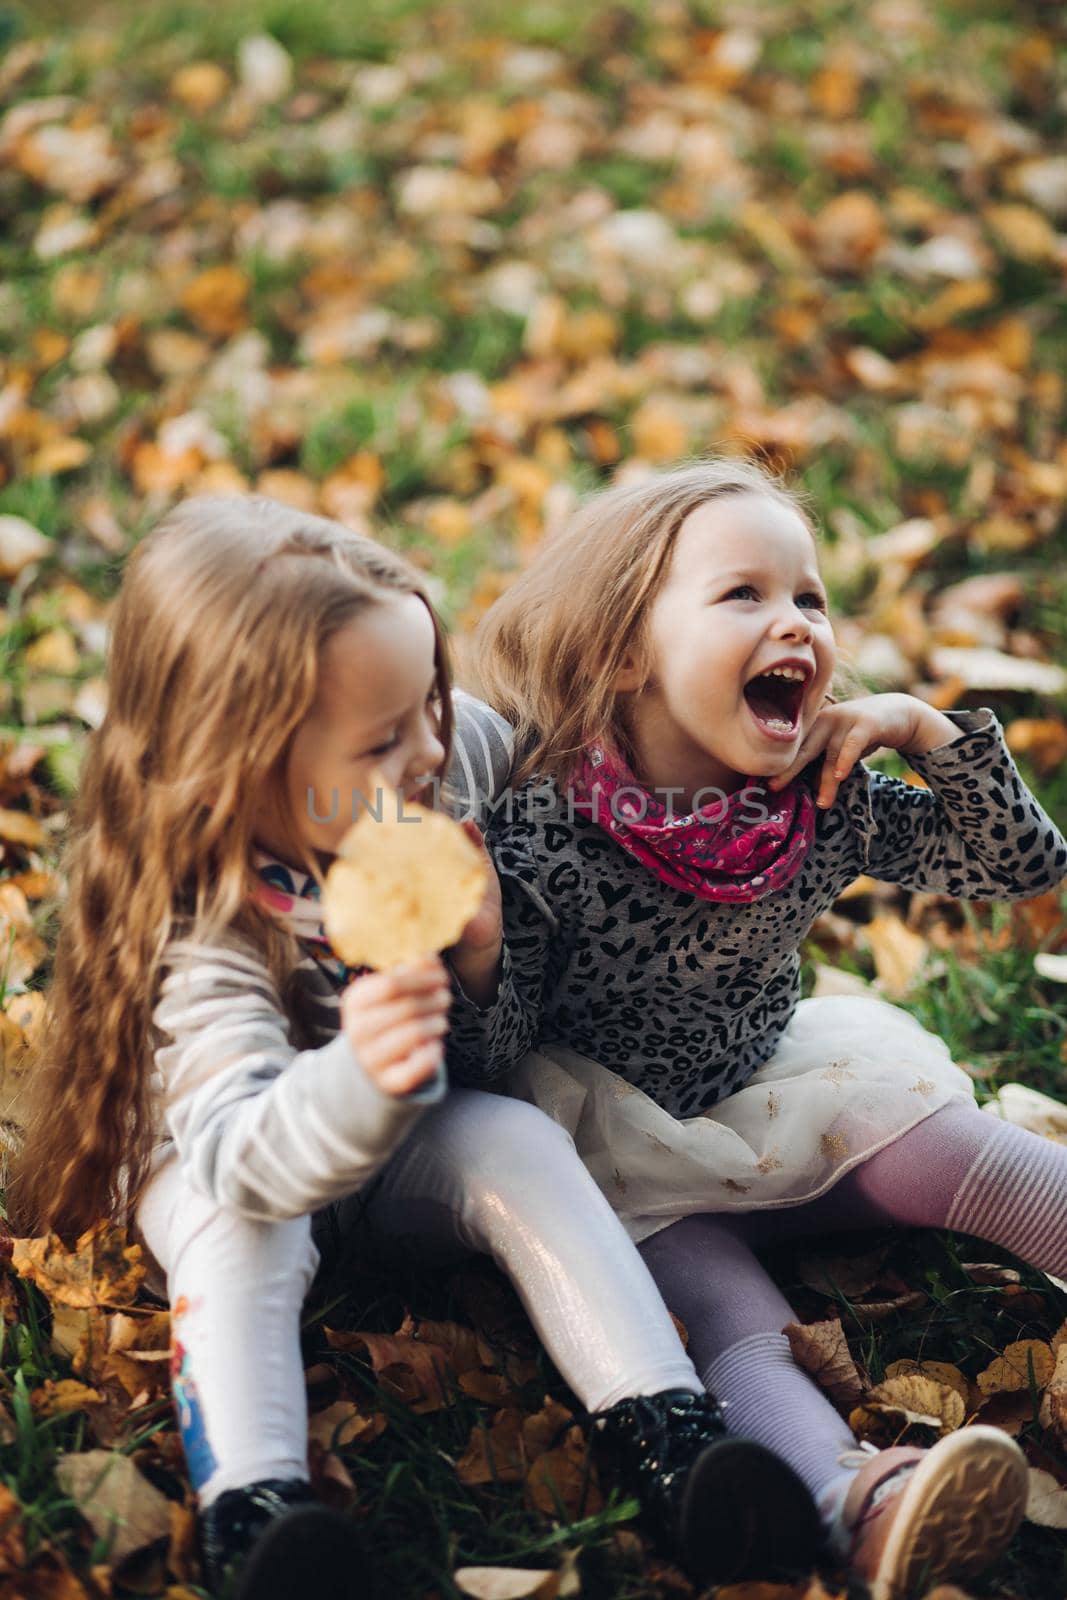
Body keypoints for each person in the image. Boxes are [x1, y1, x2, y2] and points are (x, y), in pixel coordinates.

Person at [9, 495, 822, 1600]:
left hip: (401, 1146)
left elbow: (601, 751)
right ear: (240, 769)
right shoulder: (205, 932)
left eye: (429, 703)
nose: (433, 749)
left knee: (519, 1139)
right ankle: (258, 1510)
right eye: (384, 737)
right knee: (235, 1237)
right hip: (248, 1160)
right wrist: (356, 1079)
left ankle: (667, 1426)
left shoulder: (448, 770)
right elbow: (247, 1156)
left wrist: (480, 959)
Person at [446, 457, 1067, 1600]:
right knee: (725, 1316)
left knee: (962, 1151)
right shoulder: (545, 833)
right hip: (614, 1145)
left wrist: (926, 732)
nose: (794, 623)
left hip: (770, 1085)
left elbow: (1022, 864)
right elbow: (483, 1065)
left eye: (810, 597)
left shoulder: (817, 800)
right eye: (742, 595)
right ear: (624, 651)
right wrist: (481, 949)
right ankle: (859, 1500)